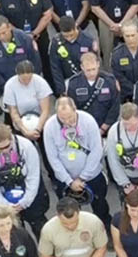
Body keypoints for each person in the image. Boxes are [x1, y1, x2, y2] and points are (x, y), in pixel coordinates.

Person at [44, 97, 110, 227]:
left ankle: (105, 231)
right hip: (65, 179)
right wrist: (69, 181)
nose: (68, 122)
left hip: (92, 176)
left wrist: (82, 177)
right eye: (63, 119)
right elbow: (53, 158)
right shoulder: (50, 127)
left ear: (75, 109)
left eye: (70, 118)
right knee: (69, 211)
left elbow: (96, 150)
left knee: (100, 207)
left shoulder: (88, 121)